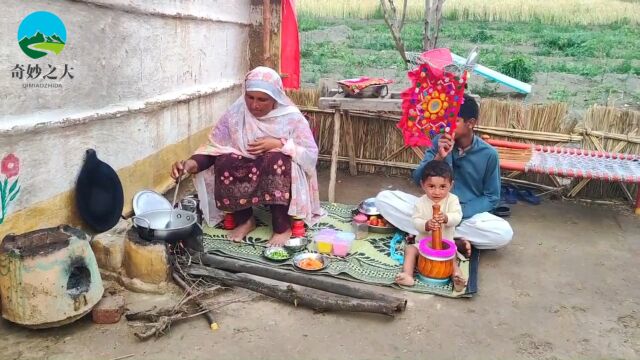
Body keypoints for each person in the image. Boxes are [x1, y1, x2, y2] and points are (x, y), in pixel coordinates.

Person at [170, 67, 324, 245]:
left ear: (275, 98)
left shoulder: (292, 118)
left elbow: (310, 156)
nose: (254, 105)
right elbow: (215, 148)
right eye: (250, 97)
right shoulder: (236, 114)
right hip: (247, 168)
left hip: (277, 172)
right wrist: (190, 165)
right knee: (225, 160)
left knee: (276, 159)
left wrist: (280, 144)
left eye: (262, 99)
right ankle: (245, 220)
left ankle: (282, 226)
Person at [376, 94, 513, 256]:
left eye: (454, 121)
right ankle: (451, 240)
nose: (446, 126)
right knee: (384, 199)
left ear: (471, 123)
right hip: (431, 210)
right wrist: (438, 158)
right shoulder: (438, 142)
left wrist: (457, 214)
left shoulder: (489, 154)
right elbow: (417, 179)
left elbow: (492, 197)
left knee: (503, 233)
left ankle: (436, 237)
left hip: (466, 216)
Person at [395, 160, 465, 289]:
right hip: (423, 244)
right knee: (410, 249)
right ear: (423, 185)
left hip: (445, 244)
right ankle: (407, 275)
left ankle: (457, 277)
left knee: (452, 257)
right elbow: (416, 221)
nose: (437, 192)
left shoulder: (453, 200)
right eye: (431, 186)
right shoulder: (420, 202)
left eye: (443, 187)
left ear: (451, 185)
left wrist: (446, 218)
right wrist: (426, 225)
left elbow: (457, 217)